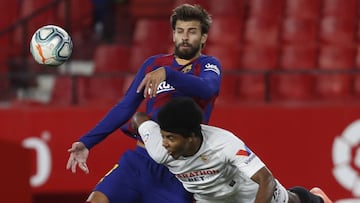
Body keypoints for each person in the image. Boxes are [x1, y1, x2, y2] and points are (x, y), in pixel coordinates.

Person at [66, 4, 222, 203]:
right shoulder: (154, 64)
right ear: (173, 35)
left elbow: (208, 88)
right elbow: (125, 107)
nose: (184, 37)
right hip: (139, 161)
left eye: (192, 32)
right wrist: (87, 142)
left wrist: (169, 74)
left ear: (203, 37)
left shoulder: (209, 65)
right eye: (180, 31)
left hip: (178, 172)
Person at [132, 97, 333, 203]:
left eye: (171, 138)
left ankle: (315, 199)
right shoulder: (159, 149)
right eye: (164, 136)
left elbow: (266, 180)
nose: (165, 143)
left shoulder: (224, 144)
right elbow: (139, 118)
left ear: (191, 137)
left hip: (251, 195)